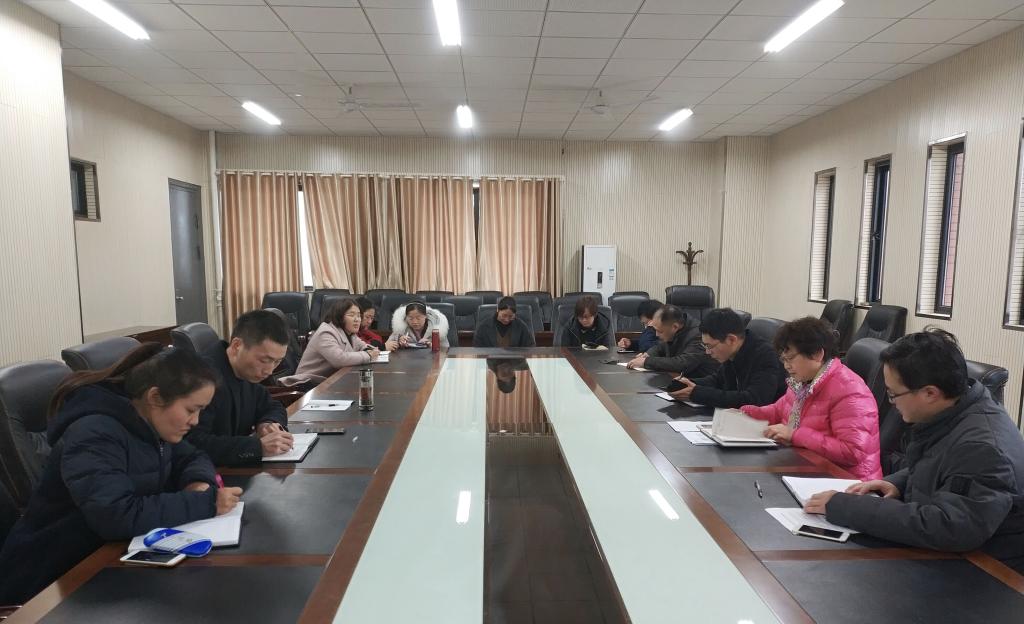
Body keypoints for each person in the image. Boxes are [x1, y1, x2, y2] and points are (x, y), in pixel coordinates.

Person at [0, 344, 243, 604]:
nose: (195, 421)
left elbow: (193, 456)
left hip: (107, 557)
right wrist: (205, 503)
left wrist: (197, 482)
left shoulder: (150, 421)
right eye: (190, 410)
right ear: (155, 397)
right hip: (53, 579)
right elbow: (115, 514)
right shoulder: (94, 433)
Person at [805, 329, 1024, 572]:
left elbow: (950, 527)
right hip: (948, 555)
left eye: (893, 394)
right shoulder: (957, 412)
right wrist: (898, 483)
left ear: (930, 393)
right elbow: (943, 464)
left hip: (988, 571)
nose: (892, 403)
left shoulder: (982, 447)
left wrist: (846, 507)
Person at [740, 317, 882, 480]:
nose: (786, 366)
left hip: (849, 482)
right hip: (810, 468)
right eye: (783, 359)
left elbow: (852, 452)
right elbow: (779, 411)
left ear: (817, 354)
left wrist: (795, 435)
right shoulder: (803, 381)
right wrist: (747, 413)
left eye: (791, 358)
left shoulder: (850, 390)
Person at [187, 310, 294, 465]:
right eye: (265, 360)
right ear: (237, 345)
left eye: (277, 362)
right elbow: (192, 442)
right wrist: (257, 447)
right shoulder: (202, 378)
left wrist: (267, 423)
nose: (270, 371)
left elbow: (272, 406)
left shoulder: (245, 371)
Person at [669, 307, 786, 408]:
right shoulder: (734, 351)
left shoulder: (765, 356)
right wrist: (687, 383)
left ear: (731, 339)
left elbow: (754, 399)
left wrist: (697, 393)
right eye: (705, 346)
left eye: (710, 346)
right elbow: (717, 380)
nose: (708, 352)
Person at [280, 299, 380, 387]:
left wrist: (370, 350)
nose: (357, 319)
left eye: (359, 315)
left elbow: (362, 345)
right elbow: (339, 359)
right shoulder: (326, 332)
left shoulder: (349, 333)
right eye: (351, 315)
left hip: (329, 381)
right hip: (308, 383)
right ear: (340, 316)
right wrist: (368, 355)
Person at [626, 304, 717, 377]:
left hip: (700, 384)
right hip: (677, 379)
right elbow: (661, 346)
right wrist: (648, 354)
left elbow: (682, 363)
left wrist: (646, 361)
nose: (657, 335)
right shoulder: (674, 329)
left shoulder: (698, 334)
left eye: (660, 331)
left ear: (675, 327)